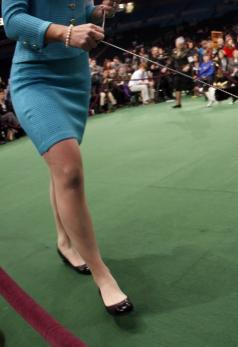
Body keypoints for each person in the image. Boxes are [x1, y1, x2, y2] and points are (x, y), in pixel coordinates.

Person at [1, 0, 133, 315]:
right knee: (70, 170)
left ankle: (64, 241)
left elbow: (77, 12)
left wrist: (98, 13)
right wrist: (66, 33)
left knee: (60, 170)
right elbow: (13, 21)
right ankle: (102, 274)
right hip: (35, 77)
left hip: (75, 77)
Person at [171, 37, 192, 109]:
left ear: (182, 44)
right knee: (177, 86)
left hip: (186, 71)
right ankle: (178, 103)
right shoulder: (174, 51)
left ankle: (204, 94)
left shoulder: (187, 51)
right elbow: (171, 60)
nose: (179, 45)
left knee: (191, 86)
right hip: (177, 71)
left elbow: (191, 61)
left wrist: (188, 66)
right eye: (177, 44)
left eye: (180, 44)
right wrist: (165, 67)